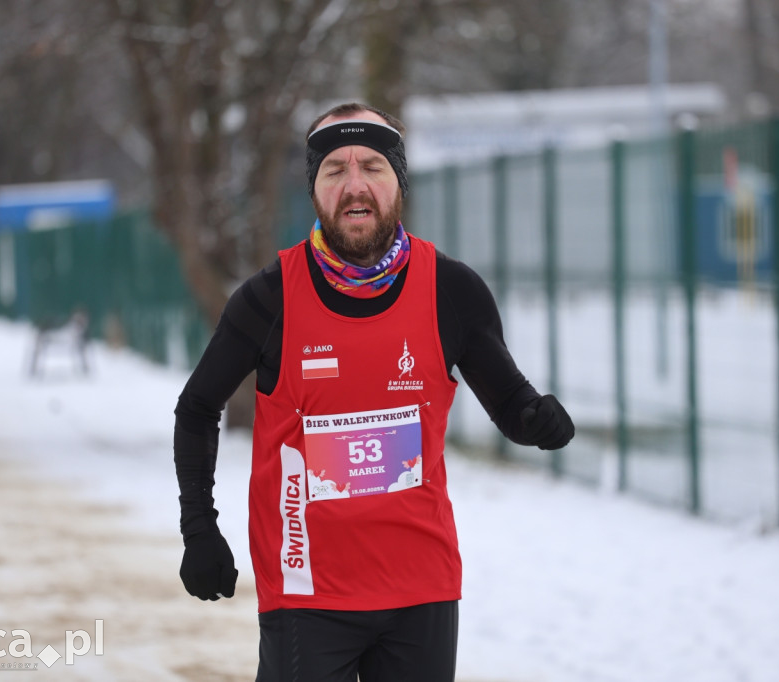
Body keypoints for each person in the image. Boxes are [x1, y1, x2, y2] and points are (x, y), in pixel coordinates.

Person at [173, 102, 575, 682]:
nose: (354, 185)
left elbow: (512, 404)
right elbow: (197, 408)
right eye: (334, 169)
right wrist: (200, 529)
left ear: (399, 181)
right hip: (307, 593)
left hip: (422, 588)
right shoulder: (270, 299)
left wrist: (539, 419)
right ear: (313, 187)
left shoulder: (450, 290)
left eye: (373, 166)